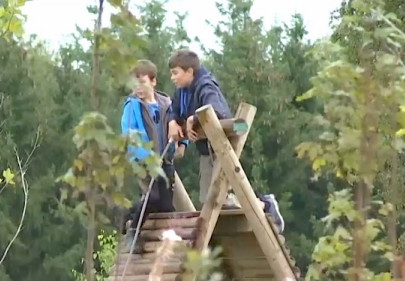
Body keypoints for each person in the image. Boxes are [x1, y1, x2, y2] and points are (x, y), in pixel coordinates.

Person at [166, 49, 285, 233]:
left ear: (190, 72)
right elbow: (173, 109)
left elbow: (216, 110)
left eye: (175, 73)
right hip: (205, 150)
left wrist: (194, 119)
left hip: (219, 147)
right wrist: (173, 121)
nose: (173, 78)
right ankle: (255, 207)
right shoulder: (182, 90)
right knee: (208, 200)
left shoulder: (206, 85)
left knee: (220, 199)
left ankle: (264, 203)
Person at [120, 60, 185, 254]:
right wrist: (147, 157)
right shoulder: (132, 106)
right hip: (144, 162)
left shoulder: (166, 104)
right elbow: (130, 135)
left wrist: (183, 143)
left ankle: (131, 213)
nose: (138, 88)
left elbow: (178, 123)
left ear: (153, 82)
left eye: (142, 83)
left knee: (164, 205)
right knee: (152, 195)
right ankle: (134, 231)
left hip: (165, 160)